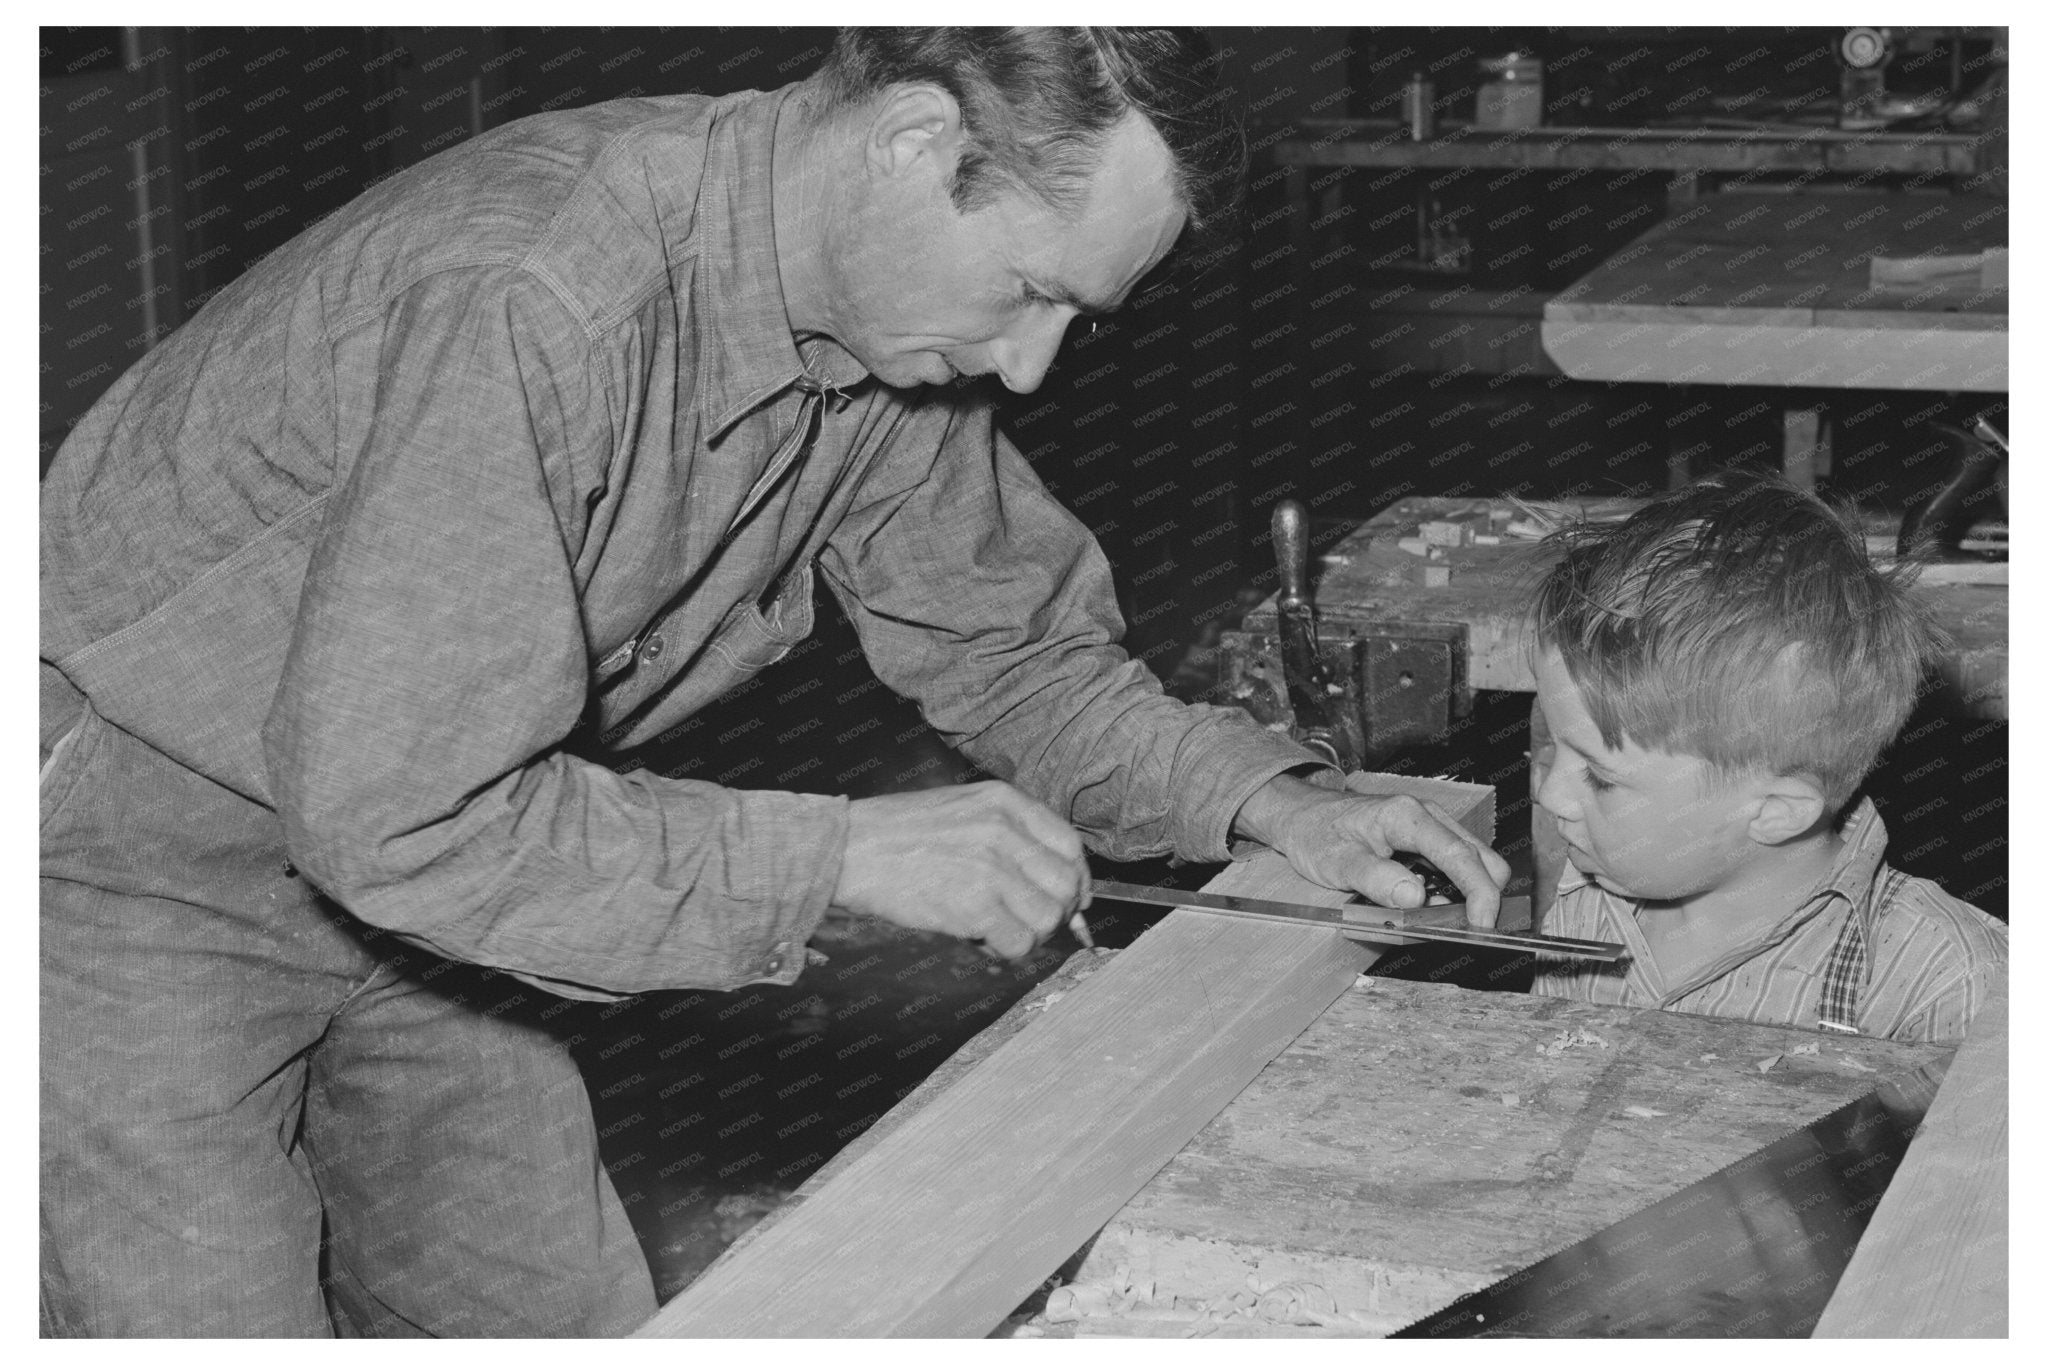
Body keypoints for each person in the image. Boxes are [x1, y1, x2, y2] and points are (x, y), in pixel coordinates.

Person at [40, 28, 1506, 1337]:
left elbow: (1008, 649)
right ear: (914, 142)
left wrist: (1265, 798)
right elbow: (406, 816)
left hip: (447, 873)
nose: (1034, 366)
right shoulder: (539, 294)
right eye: (1028, 292)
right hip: (131, 865)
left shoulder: (875, 338)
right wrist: (840, 855)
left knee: (541, 1315)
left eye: (1078, 318)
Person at [1525, 471, 2005, 1043]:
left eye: (1599, 778)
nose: (1548, 795)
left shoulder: (1949, 989)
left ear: (1775, 811)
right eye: (1553, 745)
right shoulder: (1584, 896)